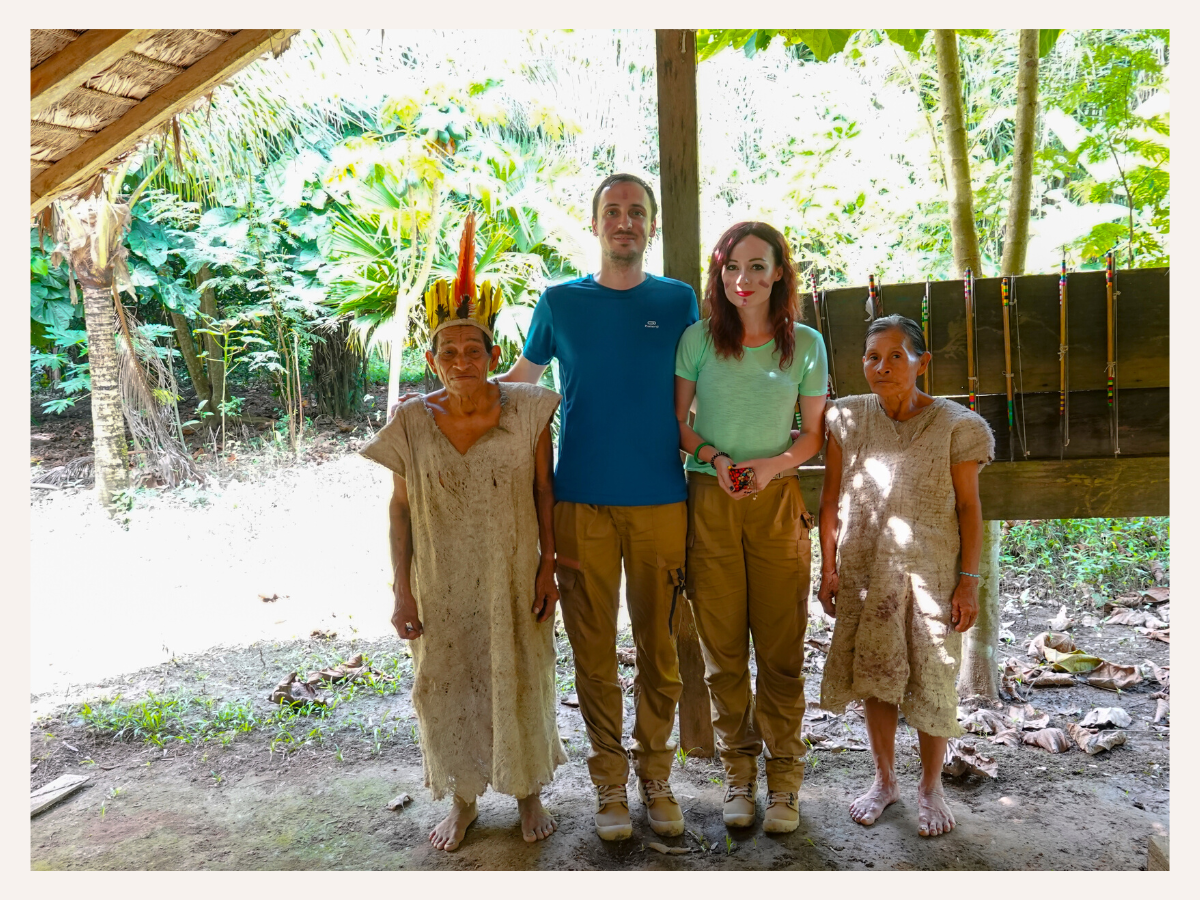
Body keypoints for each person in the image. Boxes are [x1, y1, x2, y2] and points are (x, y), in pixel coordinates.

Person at [496, 173, 698, 840]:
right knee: (594, 653)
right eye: (613, 211)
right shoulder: (559, 302)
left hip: (661, 500)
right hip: (579, 503)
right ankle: (609, 783)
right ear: (595, 224)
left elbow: (706, 385)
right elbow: (519, 384)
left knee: (659, 650)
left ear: (651, 226)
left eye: (636, 212)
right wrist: (447, 396)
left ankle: (656, 776)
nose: (624, 222)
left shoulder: (678, 300)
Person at [360, 214, 565, 852]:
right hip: (441, 579)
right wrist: (402, 590)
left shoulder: (529, 410)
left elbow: (545, 491)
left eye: (473, 350)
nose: (461, 361)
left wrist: (548, 566)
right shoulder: (411, 422)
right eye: (447, 352)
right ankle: (464, 799)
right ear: (432, 360)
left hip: (511, 572)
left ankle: (528, 792)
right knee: (448, 681)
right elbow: (399, 510)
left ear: (494, 356)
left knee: (520, 672)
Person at [674, 222, 828, 834]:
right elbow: (678, 423)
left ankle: (785, 780)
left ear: (779, 273)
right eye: (733, 267)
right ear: (720, 273)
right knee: (723, 653)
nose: (744, 279)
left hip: (777, 502)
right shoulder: (698, 339)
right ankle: (739, 774)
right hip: (710, 499)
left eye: (758, 266)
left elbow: (812, 436)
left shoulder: (806, 345)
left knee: (782, 650)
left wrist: (770, 466)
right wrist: (714, 457)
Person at [817, 314, 994, 838]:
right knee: (876, 673)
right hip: (866, 573)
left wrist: (968, 581)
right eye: (873, 357)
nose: (883, 367)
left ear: (922, 362)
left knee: (932, 677)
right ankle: (885, 781)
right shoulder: (846, 418)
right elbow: (830, 500)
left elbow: (969, 508)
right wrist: (827, 568)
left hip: (934, 577)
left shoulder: (958, 427)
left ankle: (931, 787)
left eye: (897, 355)